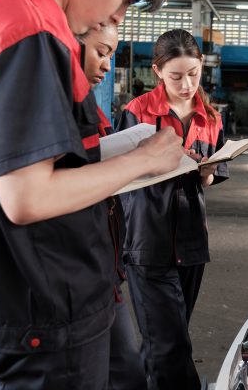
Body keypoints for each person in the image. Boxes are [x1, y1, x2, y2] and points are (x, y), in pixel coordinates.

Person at [0, 0, 185, 390]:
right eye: (122, 1)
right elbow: (27, 197)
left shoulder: (5, 15)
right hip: (42, 304)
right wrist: (144, 158)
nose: (115, 17)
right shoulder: (27, 30)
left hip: (48, 293)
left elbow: (41, 159)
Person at [116, 29, 228, 390]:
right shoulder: (137, 113)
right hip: (148, 242)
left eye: (193, 73)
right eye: (176, 76)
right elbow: (117, 176)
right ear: (157, 72)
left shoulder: (209, 117)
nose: (187, 84)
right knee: (169, 346)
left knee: (167, 340)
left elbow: (210, 180)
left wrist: (207, 171)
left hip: (192, 242)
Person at [79, 25, 147, 390]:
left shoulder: (90, 106)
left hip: (106, 264)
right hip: (80, 271)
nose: (106, 65)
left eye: (111, 56)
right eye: (101, 52)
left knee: (126, 370)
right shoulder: (54, 110)